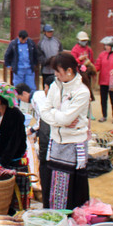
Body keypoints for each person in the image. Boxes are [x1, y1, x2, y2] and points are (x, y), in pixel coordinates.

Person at [40, 53, 91, 210]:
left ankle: (72, 219)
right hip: (56, 142)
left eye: (58, 71)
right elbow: (44, 111)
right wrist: (59, 120)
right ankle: (55, 216)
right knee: (53, 183)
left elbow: (66, 118)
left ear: (69, 71)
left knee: (72, 186)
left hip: (73, 143)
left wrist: (55, 116)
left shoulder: (82, 92)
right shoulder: (55, 85)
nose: (55, 74)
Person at [0, 83, 29, 212]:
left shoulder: (16, 115)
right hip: (1, 160)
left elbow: (14, 143)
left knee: (16, 201)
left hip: (14, 161)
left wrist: (1, 163)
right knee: (1, 199)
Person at [37, 24, 62, 88]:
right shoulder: (41, 43)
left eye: (51, 32)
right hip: (46, 71)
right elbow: (40, 57)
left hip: (56, 70)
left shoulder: (57, 41)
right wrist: (49, 61)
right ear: (44, 32)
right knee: (47, 87)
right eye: (48, 32)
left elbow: (60, 53)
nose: (50, 33)